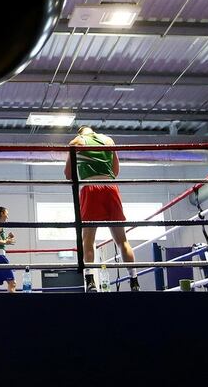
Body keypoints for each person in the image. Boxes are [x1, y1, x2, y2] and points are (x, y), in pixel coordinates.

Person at [64, 125, 140, 292]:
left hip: (90, 188)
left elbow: (68, 174)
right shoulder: (108, 140)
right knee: (122, 240)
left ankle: (90, 281)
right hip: (111, 188)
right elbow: (115, 170)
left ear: (80, 132)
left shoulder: (76, 141)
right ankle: (134, 280)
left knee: (88, 240)